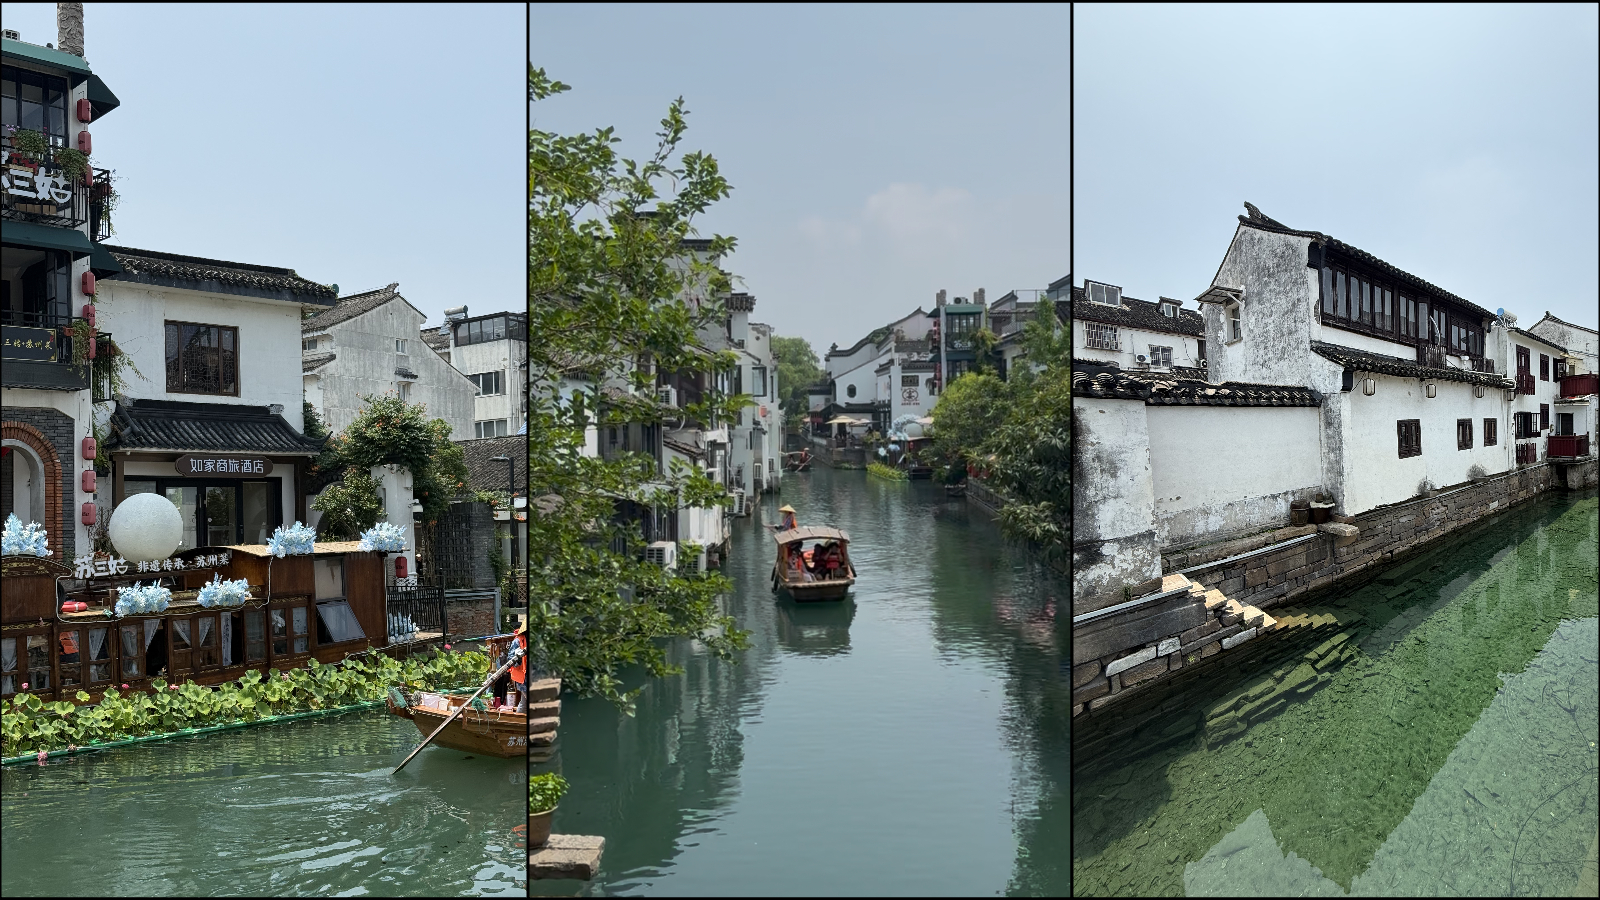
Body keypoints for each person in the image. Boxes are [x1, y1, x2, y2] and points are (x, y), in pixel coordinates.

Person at [506, 622, 529, 713]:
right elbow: (510, 660)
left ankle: (520, 721)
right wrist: (517, 657)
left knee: (524, 701)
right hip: (523, 678)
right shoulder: (517, 641)